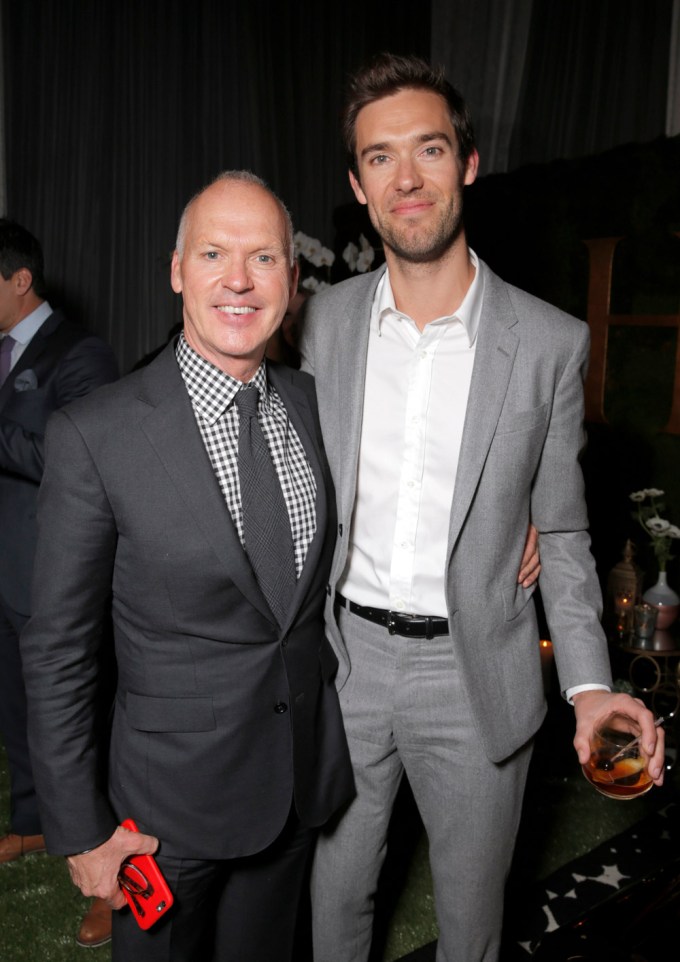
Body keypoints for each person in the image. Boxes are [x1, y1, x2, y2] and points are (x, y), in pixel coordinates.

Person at [298, 53, 665, 962]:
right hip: (341, 665)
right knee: (331, 908)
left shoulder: (547, 342)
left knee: (471, 927)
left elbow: (568, 534)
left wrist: (587, 686)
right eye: (380, 158)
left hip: (476, 674)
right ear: (357, 185)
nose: (407, 177)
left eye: (428, 149)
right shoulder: (315, 326)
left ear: (467, 162)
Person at [20, 171, 354, 962]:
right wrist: (79, 826)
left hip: (294, 788)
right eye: (213, 253)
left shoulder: (321, 406)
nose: (238, 279)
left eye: (264, 258)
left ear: (292, 280)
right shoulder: (95, 434)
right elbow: (58, 649)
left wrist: (521, 524)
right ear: (177, 271)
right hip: (160, 819)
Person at [0, 218, 119, 942]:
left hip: (54, 574)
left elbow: (72, 458)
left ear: (20, 280)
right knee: (14, 707)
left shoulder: (82, 351)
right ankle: (38, 824)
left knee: (82, 721)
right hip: (3, 571)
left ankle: (113, 869)